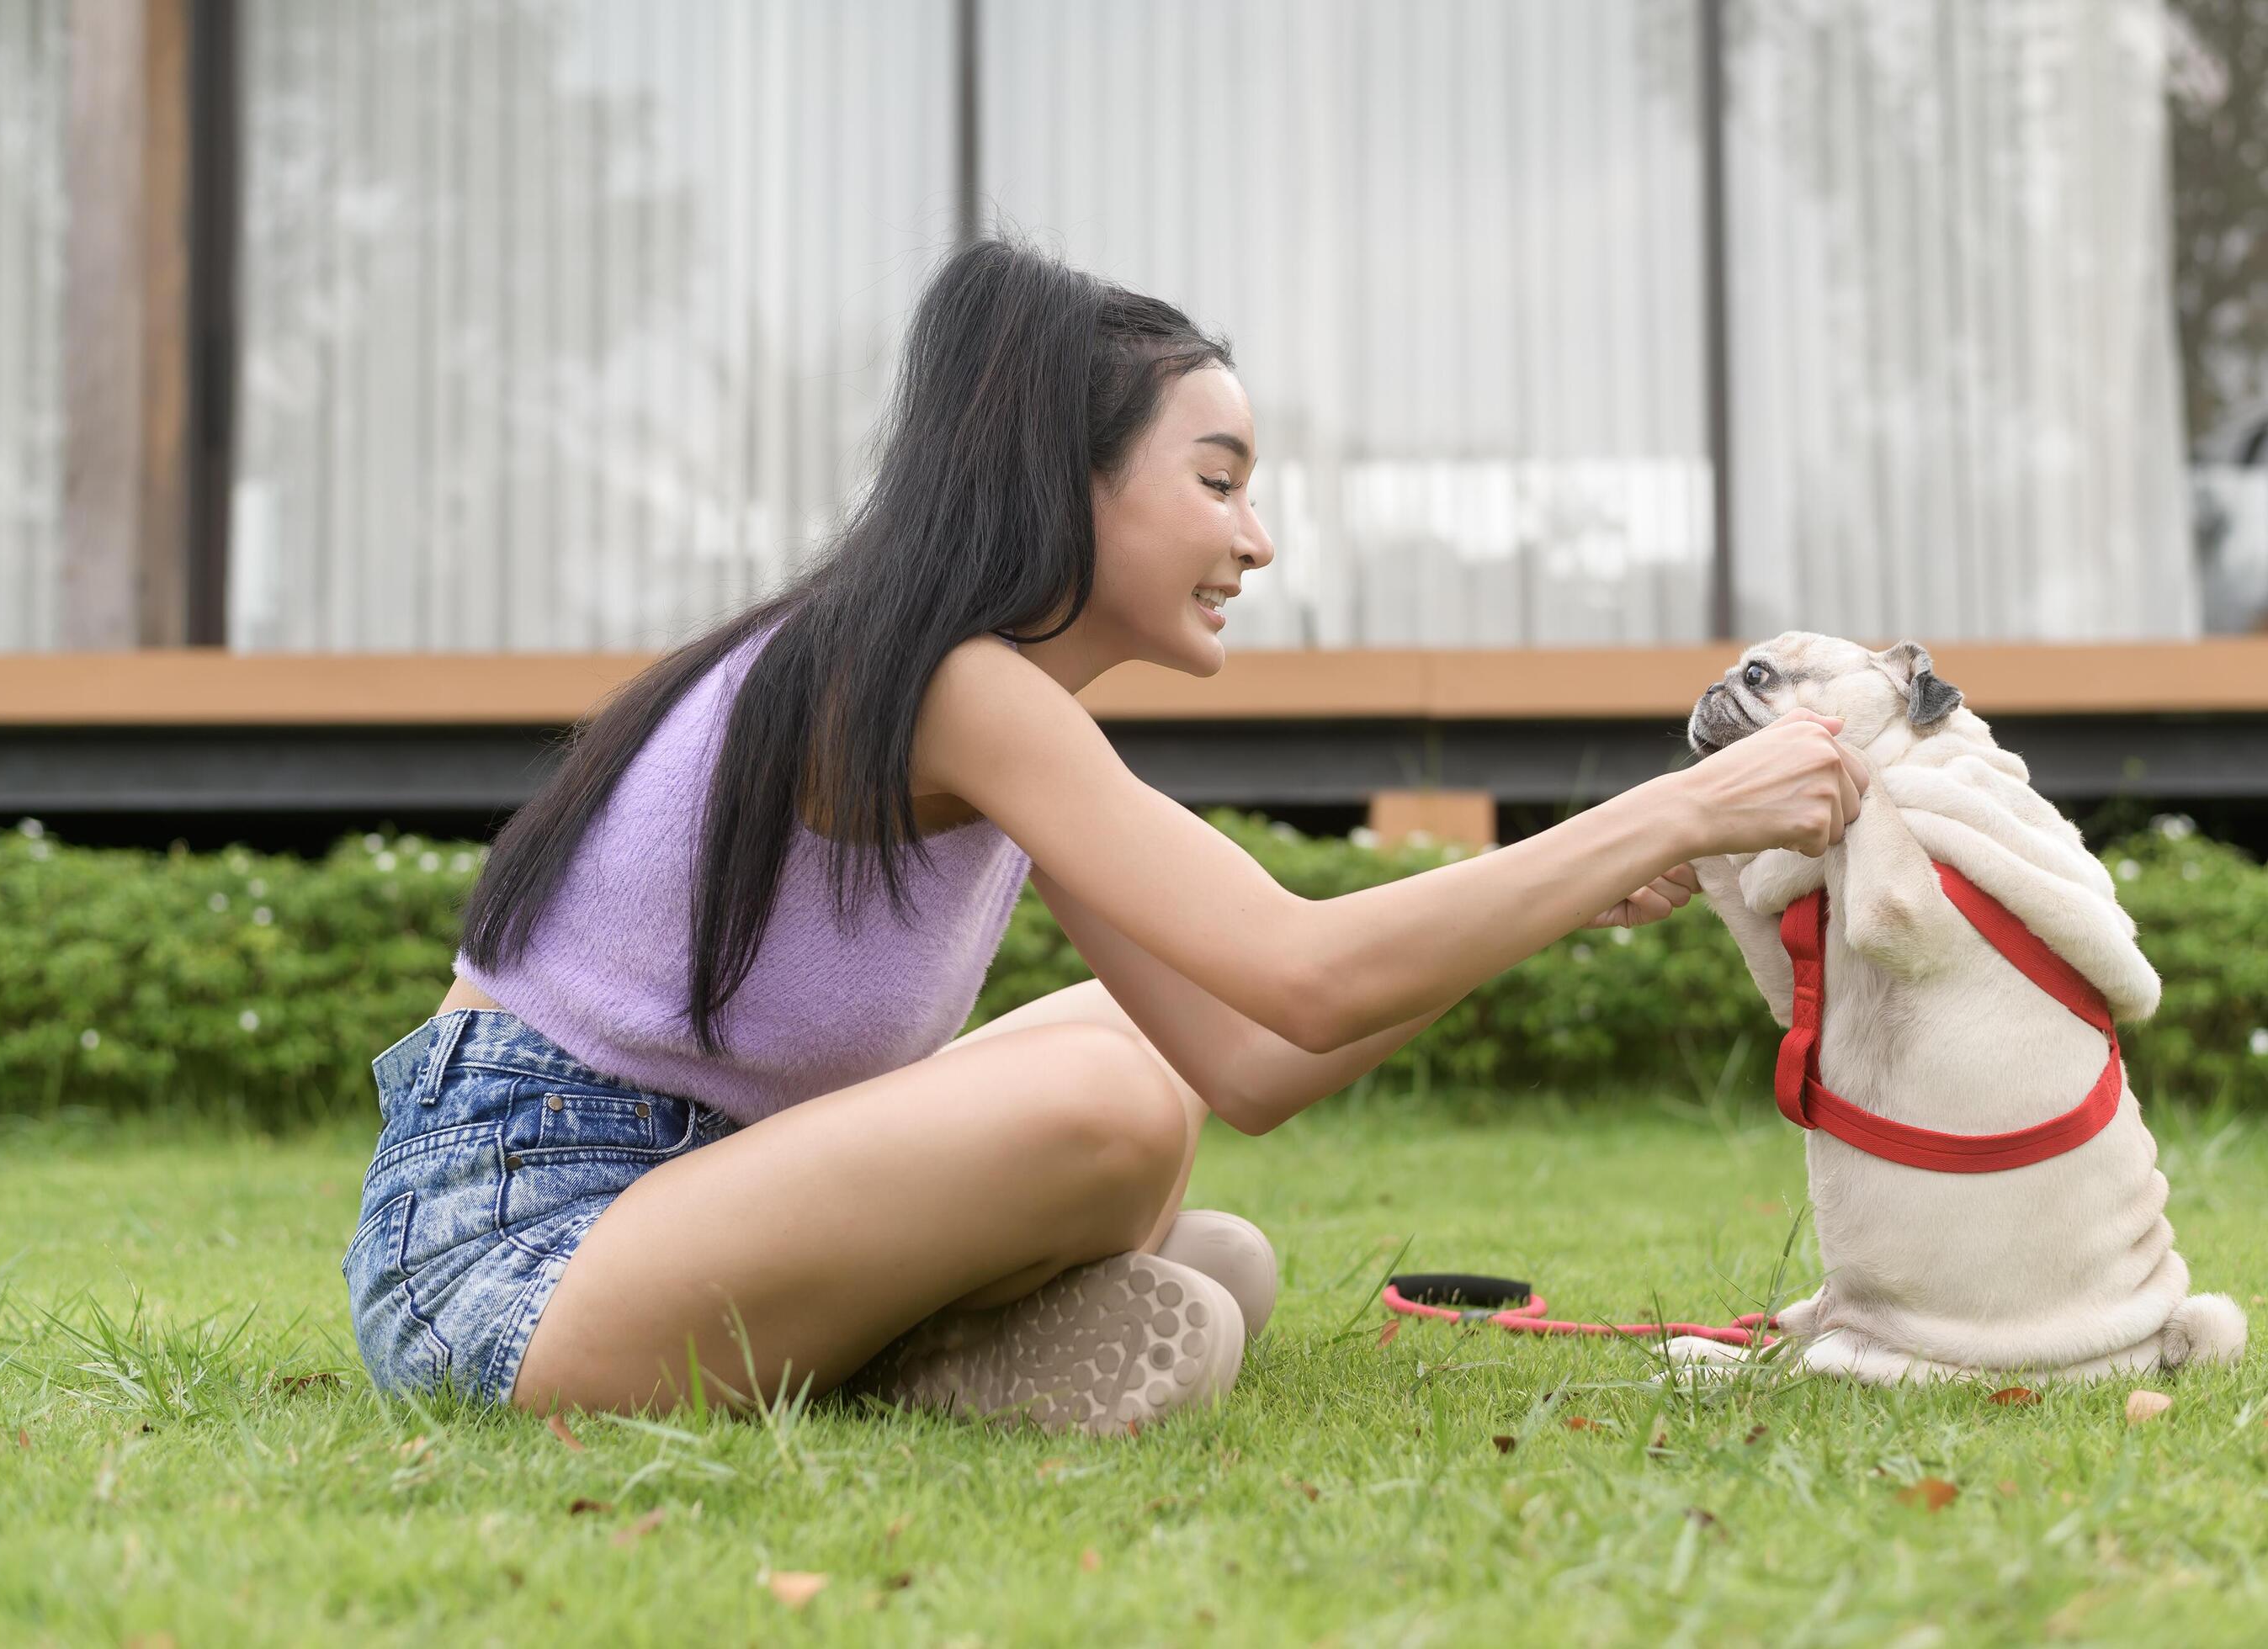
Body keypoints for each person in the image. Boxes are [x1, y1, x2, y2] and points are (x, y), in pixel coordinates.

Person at [342, 238, 1868, 1434]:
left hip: (698, 1207)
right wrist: (1679, 806)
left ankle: (936, 1353)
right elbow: (1308, 974)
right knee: (1106, 1108)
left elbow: (1257, 1055)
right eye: (1217, 484)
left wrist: (1555, 895)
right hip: (509, 1265)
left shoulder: (991, 712)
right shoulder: (936, 681)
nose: (1254, 541)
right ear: (1061, 486)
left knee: (1159, 1118)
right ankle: (925, 1352)